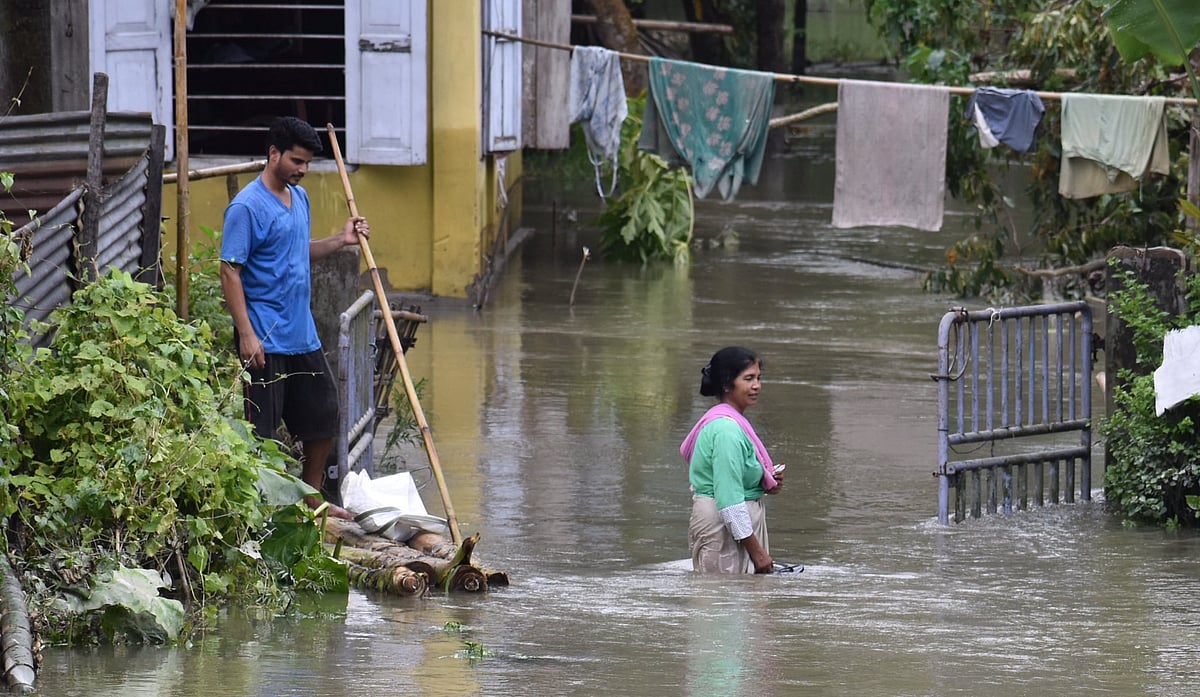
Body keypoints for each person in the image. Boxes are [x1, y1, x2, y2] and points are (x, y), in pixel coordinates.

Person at [219, 116, 368, 520]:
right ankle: (260, 513)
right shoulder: (246, 207)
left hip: (301, 333)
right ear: (274, 154)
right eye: (296, 161)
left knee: (324, 413)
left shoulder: (299, 198)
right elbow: (230, 270)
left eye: (307, 163)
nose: (303, 170)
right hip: (264, 336)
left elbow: (298, 251)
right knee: (262, 430)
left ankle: (311, 497)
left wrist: (341, 240)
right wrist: (246, 334)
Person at [679, 346, 784, 574]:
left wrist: (765, 481)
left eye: (758, 378)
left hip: (733, 528)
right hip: (723, 529)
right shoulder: (726, 431)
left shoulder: (731, 423)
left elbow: (735, 481)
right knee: (723, 594)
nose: (756, 385)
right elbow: (729, 501)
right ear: (727, 384)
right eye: (748, 378)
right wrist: (758, 554)